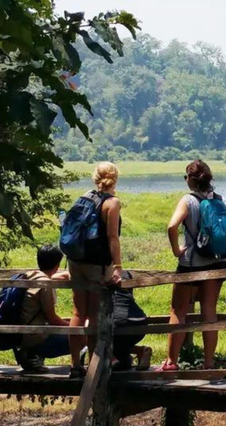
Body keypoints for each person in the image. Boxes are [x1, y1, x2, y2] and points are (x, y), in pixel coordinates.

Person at [158, 159, 226, 371]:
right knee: (209, 312)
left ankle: (171, 362)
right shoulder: (221, 201)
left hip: (192, 265)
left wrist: (177, 251)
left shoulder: (188, 200)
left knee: (178, 312)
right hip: (218, 263)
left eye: (186, 177)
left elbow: (172, 226)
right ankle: (209, 363)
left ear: (192, 181)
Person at [68, 162, 123, 379]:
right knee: (93, 314)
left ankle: (74, 365)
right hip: (96, 264)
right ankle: (94, 364)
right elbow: (112, 238)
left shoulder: (84, 197)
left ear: (95, 178)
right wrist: (117, 267)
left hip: (75, 260)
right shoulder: (112, 203)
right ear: (115, 179)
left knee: (77, 312)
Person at [13, 245, 70, 374]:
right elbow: (53, 320)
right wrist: (75, 326)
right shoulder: (45, 286)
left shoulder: (31, 275)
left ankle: (32, 355)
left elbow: (51, 277)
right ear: (57, 264)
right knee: (81, 335)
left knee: (71, 322)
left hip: (21, 334)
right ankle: (34, 354)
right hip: (35, 337)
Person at [112, 270, 152, 371]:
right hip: (140, 321)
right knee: (122, 355)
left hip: (119, 323)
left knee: (96, 333)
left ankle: (110, 358)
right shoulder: (125, 274)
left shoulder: (101, 273)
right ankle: (140, 351)